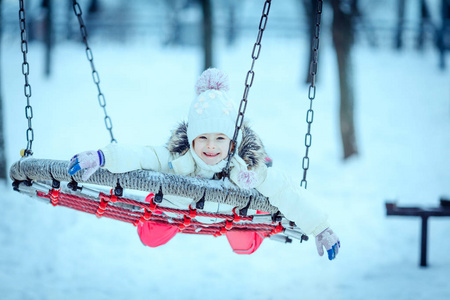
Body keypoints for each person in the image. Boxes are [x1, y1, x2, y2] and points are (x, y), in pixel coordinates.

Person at [68, 68, 340, 259]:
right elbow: (142, 154)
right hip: (178, 210)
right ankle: (159, 208)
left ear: (232, 142)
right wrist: (102, 157)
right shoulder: (176, 158)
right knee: (149, 236)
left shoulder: (248, 171)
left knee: (245, 245)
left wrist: (320, 228)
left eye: (220, 138)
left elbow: (287, 192)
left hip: (235, 216)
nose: (211, 146)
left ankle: (256, 220)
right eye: (203, 138)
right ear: (191, 139)